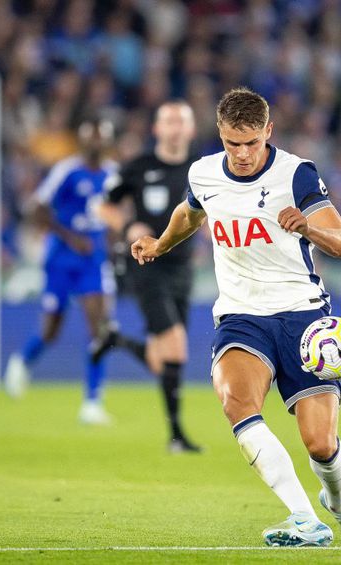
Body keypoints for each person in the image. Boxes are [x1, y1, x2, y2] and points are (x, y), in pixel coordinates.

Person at [130, 88, 341, 547]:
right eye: (232, 143)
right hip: (241, 315)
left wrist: (306, 225)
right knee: (236, 403)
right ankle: (305, 520)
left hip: (303, 318)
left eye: (251, 143)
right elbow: (190, 214)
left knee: (321, 444)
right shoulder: (203, 173)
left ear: (268, 131)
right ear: (220, 136)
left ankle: (338, 503)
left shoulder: (296, 174)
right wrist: (160, 244)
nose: (242, 154)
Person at [95, 100, 202, 453]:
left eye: (180, 121)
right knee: (176, 346)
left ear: (190, 129)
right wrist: (128, 226)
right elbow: (103, 205)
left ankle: (116, 341)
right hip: (146, 266)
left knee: (164, 360)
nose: (174, 127)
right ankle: (176, 437)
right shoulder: (139, 167)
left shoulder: (201, 171)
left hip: (183, 268)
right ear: (156, 129)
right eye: (167, 121)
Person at [4, 117, 119, 425]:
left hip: (92, 261)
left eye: (100, 138)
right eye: (90, 137)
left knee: (100, 327)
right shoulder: (67, 170)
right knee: (51, 328)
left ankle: (92, 402)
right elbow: (36, 208)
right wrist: (70, 236)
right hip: (60, 260)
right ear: (82, 142)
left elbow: (116, 213)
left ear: (107, 142)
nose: (95, 143)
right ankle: (23, 360)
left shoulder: (112, 175)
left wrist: (113, 241)